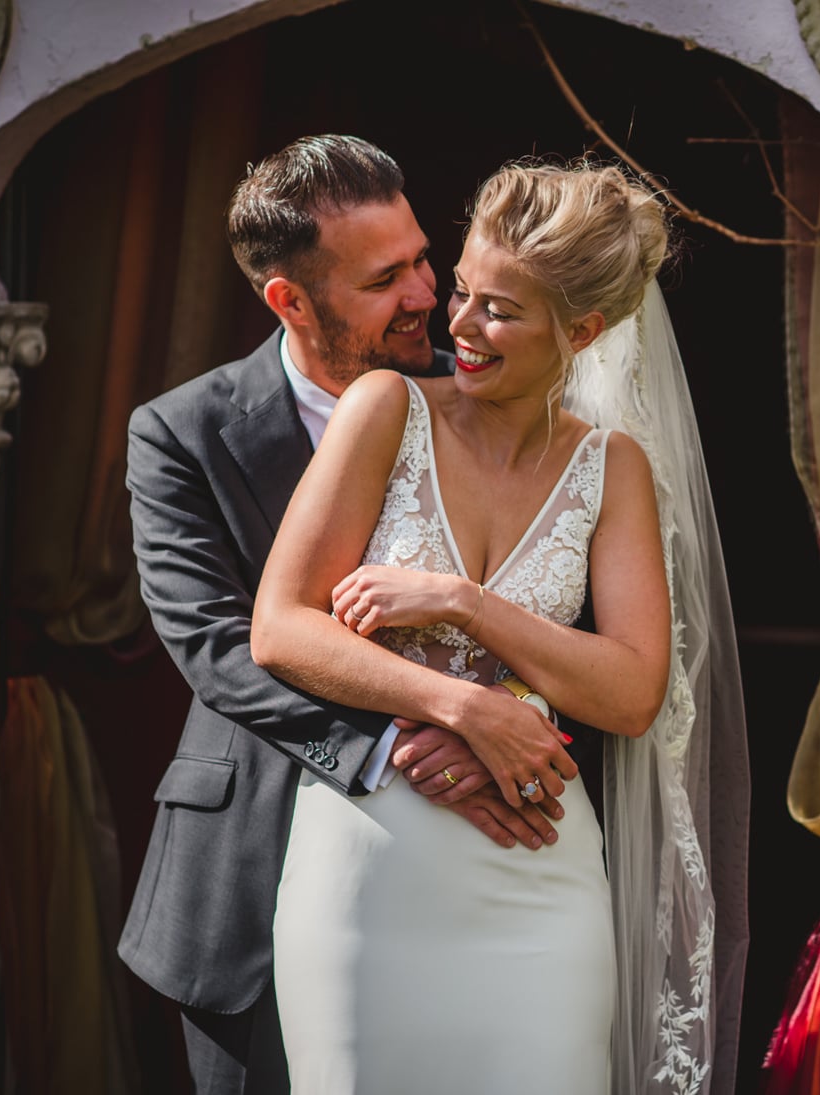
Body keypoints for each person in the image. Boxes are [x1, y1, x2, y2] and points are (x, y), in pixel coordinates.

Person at [250, 161, 750, 1093]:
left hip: (539, 880)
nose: (461, 325)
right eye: (466, 291)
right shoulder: (385, 411)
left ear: (584, 332)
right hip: (369, 872)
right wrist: (464, 708)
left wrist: (463, 601)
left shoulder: (614, 469)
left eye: (500, 311)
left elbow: (635, 689)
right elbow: (280, 628)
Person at [120, 134, 566, 1095]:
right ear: (289, 299)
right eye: (383, 280)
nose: (425, 296)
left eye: (420, 259)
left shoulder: (494, 394)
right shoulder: (179, 434)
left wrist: (512, 709)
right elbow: (219, 648)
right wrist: (419, 731)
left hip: (479, 876)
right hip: (247, 875)